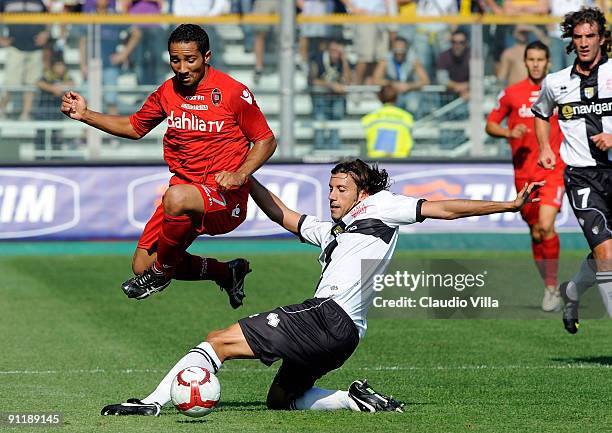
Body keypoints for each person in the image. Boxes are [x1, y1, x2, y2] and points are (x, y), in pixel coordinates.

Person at [99, 159, 542, 416]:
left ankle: (152, 403)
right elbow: (283, 215)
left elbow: (442, 208)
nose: (332, 194)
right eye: (330, 187)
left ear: (362, 191)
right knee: (281, 400)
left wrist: (508, 203)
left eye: (341, 187)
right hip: (345, 336)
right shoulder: (336, 230)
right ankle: (353, 399)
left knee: (217, 342)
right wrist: (246, 173)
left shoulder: (383, 207)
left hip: (326, 316)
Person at [61, 24, 276, 305]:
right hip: (184, 194)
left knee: (173, 203)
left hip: (225, 198)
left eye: (190, 59)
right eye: (176, 60)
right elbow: (134, 126)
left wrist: (239, 174)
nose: (182, 67)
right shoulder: (168, 91)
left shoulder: (232, 92)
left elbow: (266, 140)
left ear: (207, 56)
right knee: (141, 266)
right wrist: (86, 114)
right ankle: (227, 272)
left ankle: (161, 274)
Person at [532, 7, 612, 334]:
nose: (583, 42)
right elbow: (541, 113)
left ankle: (573, 291)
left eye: (589, 36)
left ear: (602, 38)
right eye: (577, 37)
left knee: (606, 252)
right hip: (582, 177)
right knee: (606, 252)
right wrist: (546, 148)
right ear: (570, 40)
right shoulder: (556, 82)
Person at [486, 40, 565, 312]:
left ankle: (552, 288)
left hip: (554, 169)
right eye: (530, 59)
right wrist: (509, 133)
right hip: (524, 175)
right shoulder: (511, 94)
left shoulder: (559, 90)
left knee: (546, 226)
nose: (535, 64)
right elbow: (490, 124)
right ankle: (550, 286)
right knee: (535, 232)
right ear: (525, 61)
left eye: (540, 59)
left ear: (548, 62)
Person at [0, 0, 49, 120]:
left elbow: (48, 19)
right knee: (10, 84)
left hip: (35, 48)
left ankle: (25, 115)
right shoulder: (5, 1)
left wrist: (45, 33)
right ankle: (1, 111)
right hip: (15, 47)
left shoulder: (38, 2)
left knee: (32, 83)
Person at [309, 38, 351, 150]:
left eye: (338, 51)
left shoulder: (343, 62)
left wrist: (345, 60)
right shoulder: (317, 58)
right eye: (333, 51)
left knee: (336, 121)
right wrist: (331, 85)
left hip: (337, 98)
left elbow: (348, 82)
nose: (335, 54)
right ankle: (318, 150)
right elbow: (312, 80)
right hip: (321, 98)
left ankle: (335, 149)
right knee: (320, 121)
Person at [371, 36, 429, 114]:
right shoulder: (385, 59)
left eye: (402, 50)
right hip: (392, 95)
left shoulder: (413, 59)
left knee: (413, 105)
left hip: (409, 92)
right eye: (396, 50)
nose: (399, 53)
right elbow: (376, 79)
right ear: (392, 49)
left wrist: (409, 86)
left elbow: (425, 80)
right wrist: (393, 84)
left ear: (407, 49)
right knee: (388, 105)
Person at [35, 52, 74, 159]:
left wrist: (60, 87)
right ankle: (39, 159)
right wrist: (52, 88)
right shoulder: (48, 75)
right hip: (44, 112)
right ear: (53, 67)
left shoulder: (66, 76)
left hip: (57, 113)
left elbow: (72, 83)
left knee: (57, 137)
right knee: (41, 137)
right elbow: (39, 83)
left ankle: (57, 158)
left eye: (62, 65)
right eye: (58, 66)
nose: (61, 68)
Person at [361, 84, 414, 158]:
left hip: (377, 161)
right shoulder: (407, 117)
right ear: (397, 98)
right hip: (400, 161)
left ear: (379, 97)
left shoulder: (370, 117)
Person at [436, 29, 470, 101]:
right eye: (454, 42)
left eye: (461, 42)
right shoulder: (443, 56)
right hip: (448, 97)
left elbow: (480, 78)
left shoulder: (474, 57)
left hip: (469, 95)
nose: (457, 45)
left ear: (466, 43)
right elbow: (442, 79)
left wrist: (466, 86)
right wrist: (458, 87)